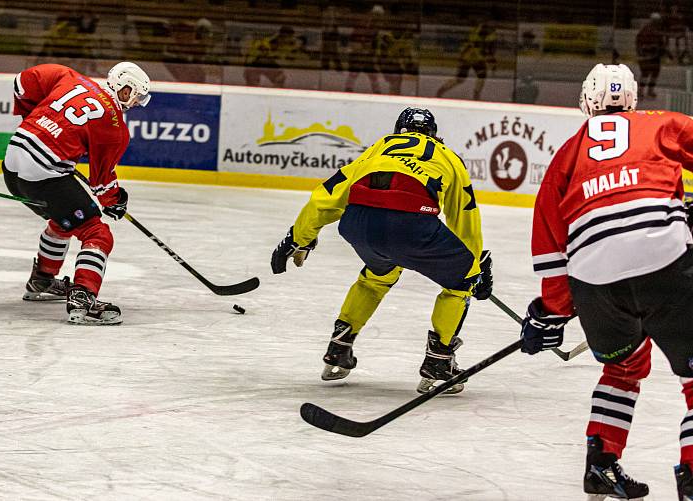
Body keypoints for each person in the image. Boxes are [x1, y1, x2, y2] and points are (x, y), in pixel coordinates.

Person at [519, 63, 693, 500]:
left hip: (593, 280)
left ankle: (601, 465)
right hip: (663, 260)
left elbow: (550, 242)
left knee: (623, 365)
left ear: (586, 101)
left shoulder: (567, 153)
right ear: (633, 100)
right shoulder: (661, 124)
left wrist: (553, 311)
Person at [271, 108, 492, 393]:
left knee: (377, 276)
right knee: (459, 284)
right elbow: (464, 216)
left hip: (358, 223)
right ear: (434, 134)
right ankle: (439, 361)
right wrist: (473, 268)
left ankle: (340, 346)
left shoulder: (380, 148)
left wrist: (299, 237)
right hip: (410, 225)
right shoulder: (449, 157)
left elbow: (330, 193)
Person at [2, 62, 151, 325]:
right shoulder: (115, 124)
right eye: (136, 95)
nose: (135, 103)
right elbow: (102, 183)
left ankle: (42, 281)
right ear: (124, 89)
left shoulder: (68, 77)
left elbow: (21, 83)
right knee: (97, 233)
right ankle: (83, 298)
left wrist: (32, 121)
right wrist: (115, 201)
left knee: (65, 218)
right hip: (42, 174)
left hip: (12, 165)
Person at [436, 22, 496, 100]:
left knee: (481, 76)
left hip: (476, 58)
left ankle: (476, 96)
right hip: (469, 57)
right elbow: (479, 47)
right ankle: (441, 91)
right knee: (460, 79)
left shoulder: (488, 34)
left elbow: (488, 49)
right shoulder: (478, 33)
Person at [635, 13, 665, 99]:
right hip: (647, 55)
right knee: (646, 73)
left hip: (653, 56)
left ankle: (649, 91)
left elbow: (661, 43)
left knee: (654, 73)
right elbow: (639, 43)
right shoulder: (646, 30)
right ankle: (642, 91)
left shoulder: (655, 31)